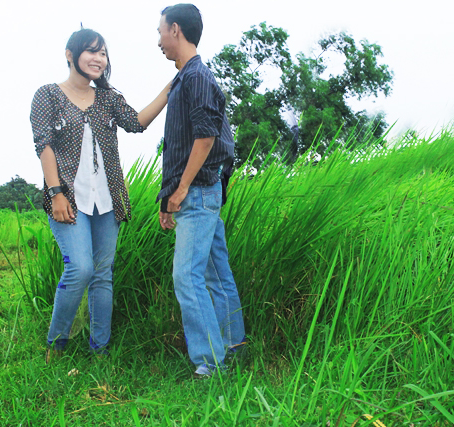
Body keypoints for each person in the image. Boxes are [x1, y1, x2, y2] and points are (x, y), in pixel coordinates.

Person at [30, 28, 170, 361]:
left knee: (102, 275)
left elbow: (137, 122)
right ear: (70, 54)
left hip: (108, 201)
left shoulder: (107, 99)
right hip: (67, 198)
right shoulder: (48, 95)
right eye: (91, 51)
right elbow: (44, 145)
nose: (98, 58)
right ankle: (56, 344)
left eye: (103, 53)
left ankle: (100, 349)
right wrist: (56, 192)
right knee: (80, 268)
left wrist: (169, 89)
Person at [156, 4, 246, 376]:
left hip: (198, 192)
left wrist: (180, 191)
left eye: (160, 31)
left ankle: (210, 363)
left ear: (175, 30)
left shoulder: (197, 78)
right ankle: (233, 347)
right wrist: (167, 198)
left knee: (187, 277)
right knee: (215, 273)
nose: (158, 40)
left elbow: (206, 138)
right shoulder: (185, 78)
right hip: (199, 192)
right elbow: (180, 146)